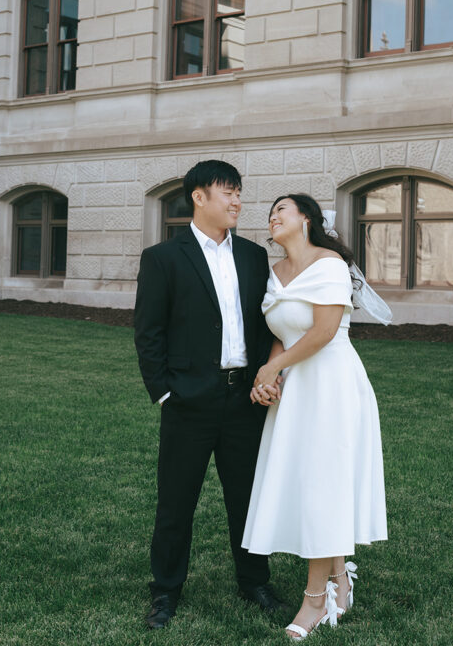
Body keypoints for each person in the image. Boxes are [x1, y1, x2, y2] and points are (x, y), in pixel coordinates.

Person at [134, 160, 281, 630]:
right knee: (176, 502)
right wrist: (164, 394)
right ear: (199, 197)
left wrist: (265, 376)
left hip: (244, 400)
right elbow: (149, 332)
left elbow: (264, 327)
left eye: (240, 192)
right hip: (188, 401)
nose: (237, 201)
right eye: (227, 193)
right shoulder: (162, 258)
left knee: (248, 497)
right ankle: (165, 591)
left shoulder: (255, 256)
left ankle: (254, 580)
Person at [241, 193, 388, 640]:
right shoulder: (275, 274)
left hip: (331, 386)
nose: (273, 216)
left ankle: (315, 600)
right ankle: (340, 575)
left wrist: (272, 368)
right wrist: (268, 379)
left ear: (305, 218)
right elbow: (283, 334)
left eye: (281, 209)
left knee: (324, 483)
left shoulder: (328, 265)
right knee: (310, 484)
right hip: (296, 390)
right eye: (270, 213)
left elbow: (324, 331)